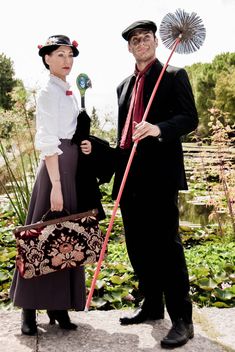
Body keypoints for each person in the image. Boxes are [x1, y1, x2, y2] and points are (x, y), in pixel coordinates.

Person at [112, 20, 198, 349]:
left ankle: (182, 320)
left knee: (167, 248)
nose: (141, 43)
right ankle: (151, 306)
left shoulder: (174, 76)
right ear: (130, 48)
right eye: (134, 40)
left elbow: (190, 118)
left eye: (145, 38)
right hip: (129, 179)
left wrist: (158, 128)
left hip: (160, 178)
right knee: (138, 246)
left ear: (155, 42)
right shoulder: (123, 85)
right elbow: (122, 138)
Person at [10, 35, 94, 335]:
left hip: (70, 167)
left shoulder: (69, 92)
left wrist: (83, 145)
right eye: (60, 54)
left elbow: (69, 131)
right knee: (40, 236)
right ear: (47, 58)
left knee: (65, 238)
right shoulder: (47, 92)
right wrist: (55, 186)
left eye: (70, 54)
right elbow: (47, 140)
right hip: (54, 170)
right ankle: (28, 311)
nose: (67, 60)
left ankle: (58, 307)